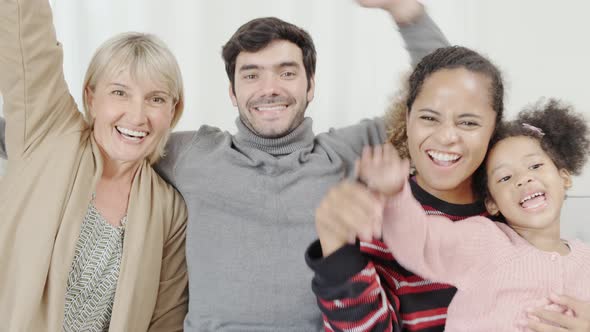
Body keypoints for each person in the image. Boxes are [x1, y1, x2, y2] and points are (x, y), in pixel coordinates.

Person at [0, 0, 447, 330]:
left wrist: (409, 14)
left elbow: (447, 103)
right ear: (232, 92)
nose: (269, 87)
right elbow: (92, 138)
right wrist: (26, 141)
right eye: (252, 74)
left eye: (287, 72)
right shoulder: (192, 154)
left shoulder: (350, 152)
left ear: (311, 86)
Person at [0, 0, 188, 331]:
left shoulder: (169, 210)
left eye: (156, 99)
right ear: (91, 97)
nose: (137, 115)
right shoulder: (47, 131)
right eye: (119, 92)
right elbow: (23, 31)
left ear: (173, 110)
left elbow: (166, 320)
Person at [306, 45, 505, 331]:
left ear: (494, 128)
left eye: (469, 122)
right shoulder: (373, 217)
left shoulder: (512, 210)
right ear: (408, 117)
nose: (447, 136)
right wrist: (336, 249)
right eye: (429, 118)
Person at [355, 99, 590, 331]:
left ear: (564, 177)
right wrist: (395, 195)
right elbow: (422, 242)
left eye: (535, 166)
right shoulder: (485, 240)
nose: (523, 179)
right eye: (505, 178)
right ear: (492, 202)